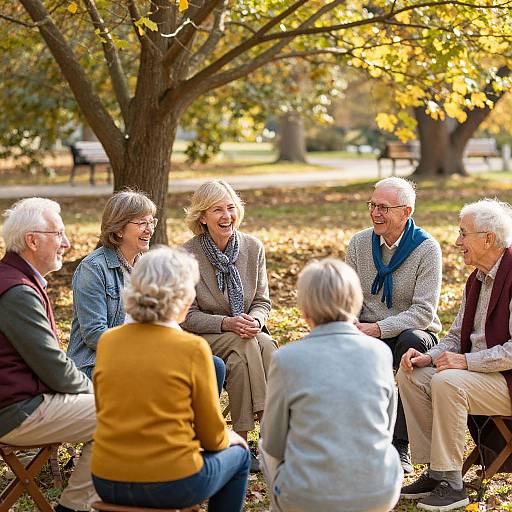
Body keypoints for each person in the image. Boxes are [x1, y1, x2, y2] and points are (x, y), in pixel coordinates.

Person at [92, 246, 250, 511]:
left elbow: (103, 410)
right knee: (241, 455)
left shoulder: (108, 341)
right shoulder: (192, 348)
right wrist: (233, 437)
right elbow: (212, 438)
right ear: (181, 296)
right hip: (171, 482)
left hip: (107, 479)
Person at [260, 258, 402, 512]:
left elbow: (273, 442)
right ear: (354, 300)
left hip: (309, 497)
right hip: (378, 491)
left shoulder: (286, 359)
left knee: (263, 449)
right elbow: (386, 426)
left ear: (304, 308)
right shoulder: (381, 353)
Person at [397, 198, 512, 512]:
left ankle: (453, 482)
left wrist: (465, 362)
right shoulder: (476, 279)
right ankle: (436, 471)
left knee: (449, 381)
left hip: (505, 380)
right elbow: (453, 336)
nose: (457, 241)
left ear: (488, 238)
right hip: (478, 376)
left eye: (464, 233)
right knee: (413, 374)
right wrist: (429, 356)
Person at [67, 189, 225, 392]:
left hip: (148, 351)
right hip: (97, 363)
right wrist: (148, 350)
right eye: (141, 223)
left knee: (213, 365)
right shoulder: (93, 268)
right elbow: (95, 335)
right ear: (118, 229)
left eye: (151, 222)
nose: (149, 230)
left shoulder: (146, 264)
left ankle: (190, 423)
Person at [0, 197, 96, 512]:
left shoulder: (16, 280)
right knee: (126, 416)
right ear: (32, 240)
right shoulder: (17, 292)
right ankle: (75, 507)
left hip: (21, 401)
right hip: (15, 411)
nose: (66, 243)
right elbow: (53, 368)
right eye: (59, 234)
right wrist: (97, 390)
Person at [346, 176, 442, 473]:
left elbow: (423, 312)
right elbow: (347, 297)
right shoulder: (360, 243)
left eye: (384, 208)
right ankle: (358, 440)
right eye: (372, 205)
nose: (375, 213)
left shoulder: (426, 248)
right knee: (342, 344)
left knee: (409, 343)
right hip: (366, 329)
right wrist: (349, 321)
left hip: (413, 332)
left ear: (406, 212)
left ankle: (400, 445)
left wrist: (378, 329)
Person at [181, 180, 277, 469]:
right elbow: (187, 316)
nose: (227, 216)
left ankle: (242, 441)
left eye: (231, 208)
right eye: (217, 210)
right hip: (205, 335)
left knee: (263, 346)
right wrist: (227, 323)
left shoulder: (252, 247)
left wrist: (256, 320)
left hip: (247, 333)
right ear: (202, 217)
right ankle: (268, 433)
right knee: (246, 343)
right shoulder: (187, 255)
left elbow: (262, 301)